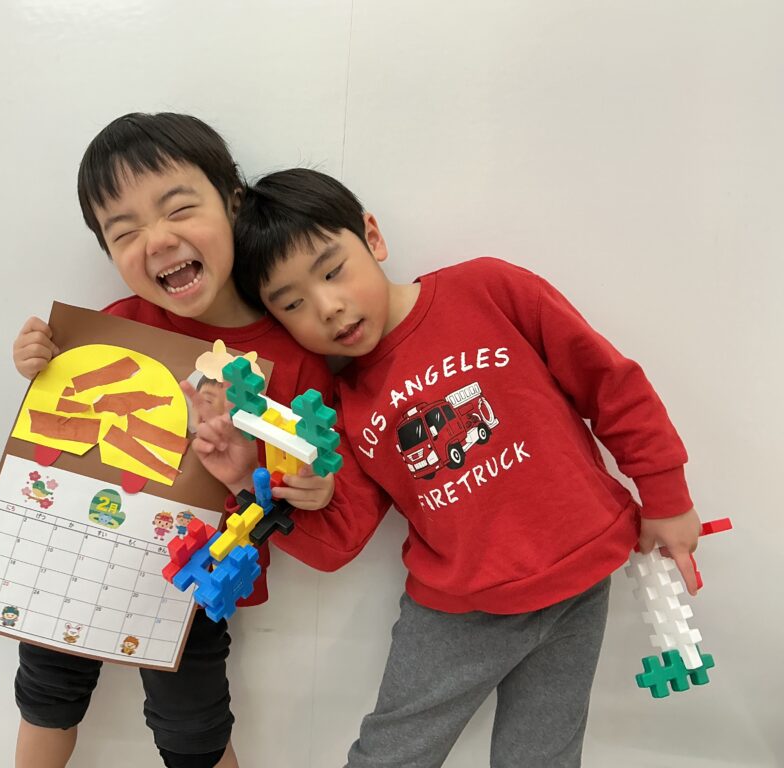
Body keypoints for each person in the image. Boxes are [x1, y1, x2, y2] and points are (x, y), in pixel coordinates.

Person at [197, 167, 702, 767]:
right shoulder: (342, 406)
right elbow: (336, 542)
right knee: (391, 758)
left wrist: (666, 495)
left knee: (545, 758)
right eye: (293, 304)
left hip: (580, 579)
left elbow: (609, 384)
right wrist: (247, 483)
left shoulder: (487, 289)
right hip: (458, 612)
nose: (329, 307)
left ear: (372, 236)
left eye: (333, 271)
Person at [9, 115, 332, 768]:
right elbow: (64, 434)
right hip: (81, 552)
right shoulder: (111, 330)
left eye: (179, 208)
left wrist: (311, 486)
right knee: (45, 694)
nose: (156, 240)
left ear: (234, 204)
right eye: (123, 231)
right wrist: (39, 364)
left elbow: (308, 483)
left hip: (196, 583)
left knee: (194, 732)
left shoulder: (295, 356)